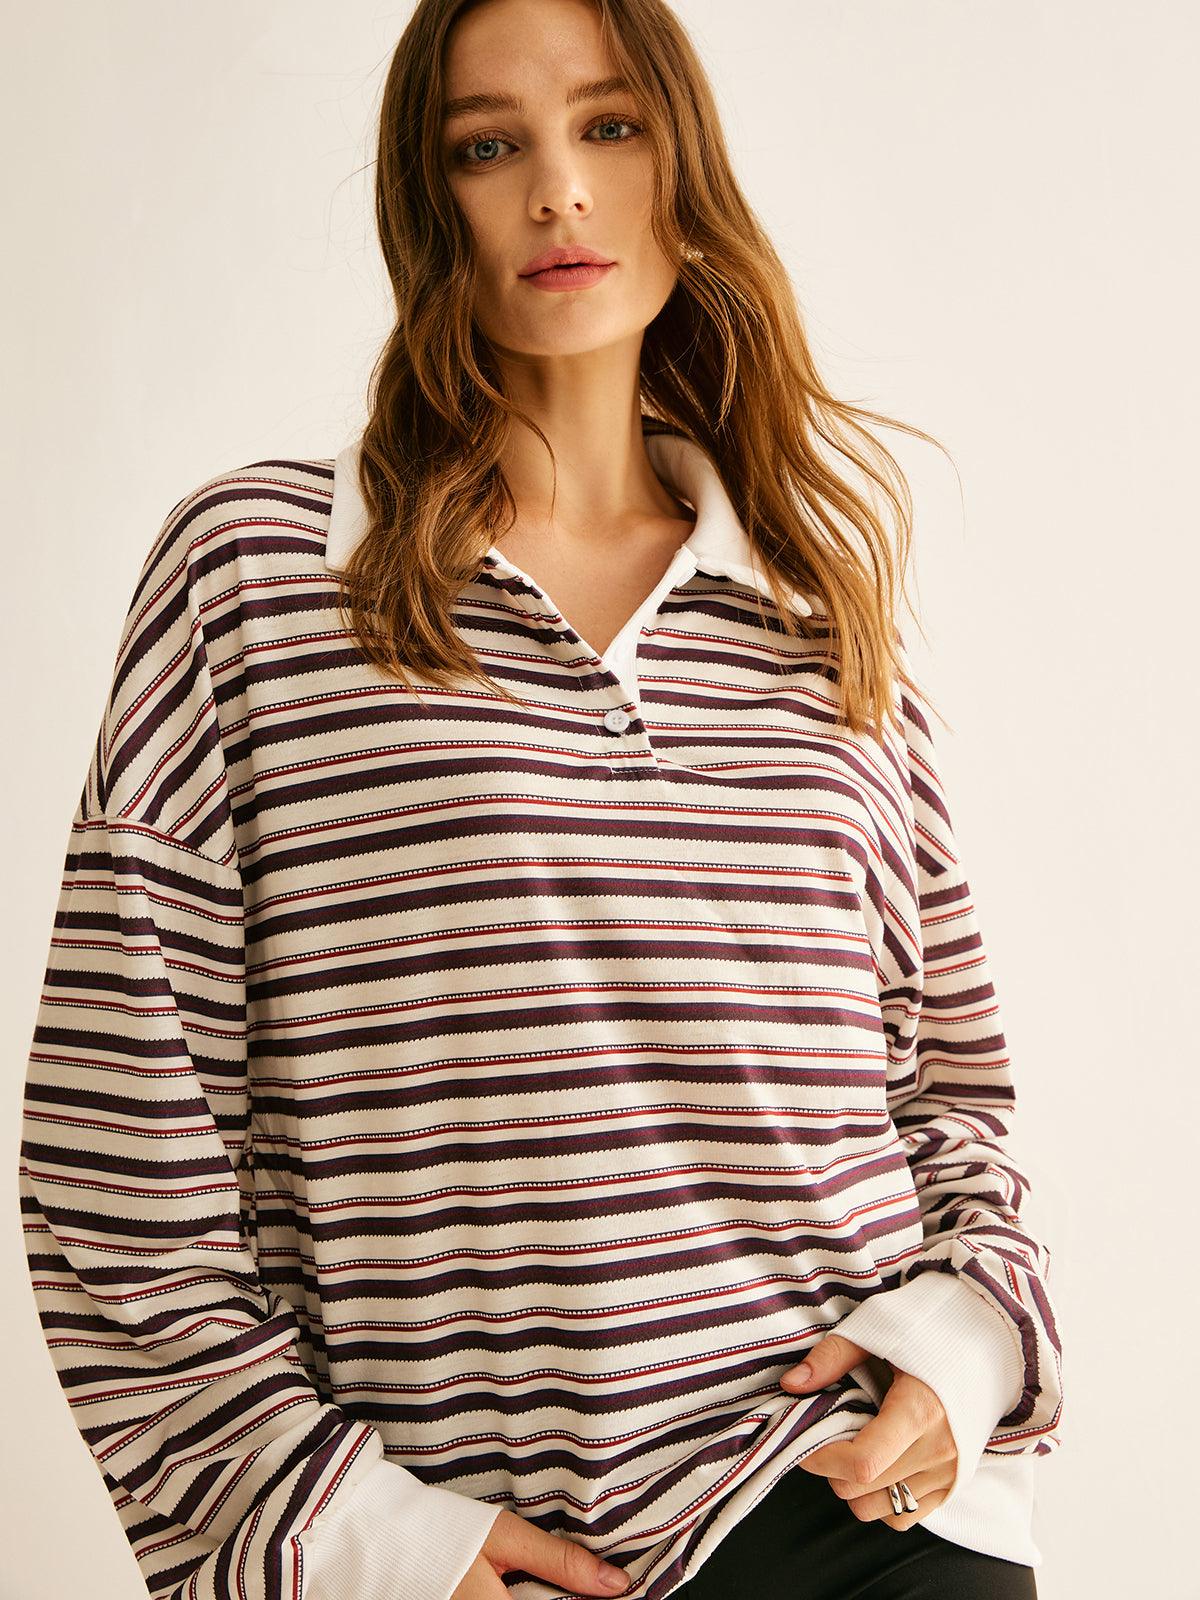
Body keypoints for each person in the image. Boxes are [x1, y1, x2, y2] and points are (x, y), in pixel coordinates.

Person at [17, 1, 1064, 1598]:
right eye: (488, 145)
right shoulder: (263, 577)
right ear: (427, 203)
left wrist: (964, 1353)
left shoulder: (813, 615)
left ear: (684, 169)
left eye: (610, 126)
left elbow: (947, 1101)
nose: (559, 188)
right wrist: (357, 1540)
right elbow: (120, 1143)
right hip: (469, 1554)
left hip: (858, 1514)